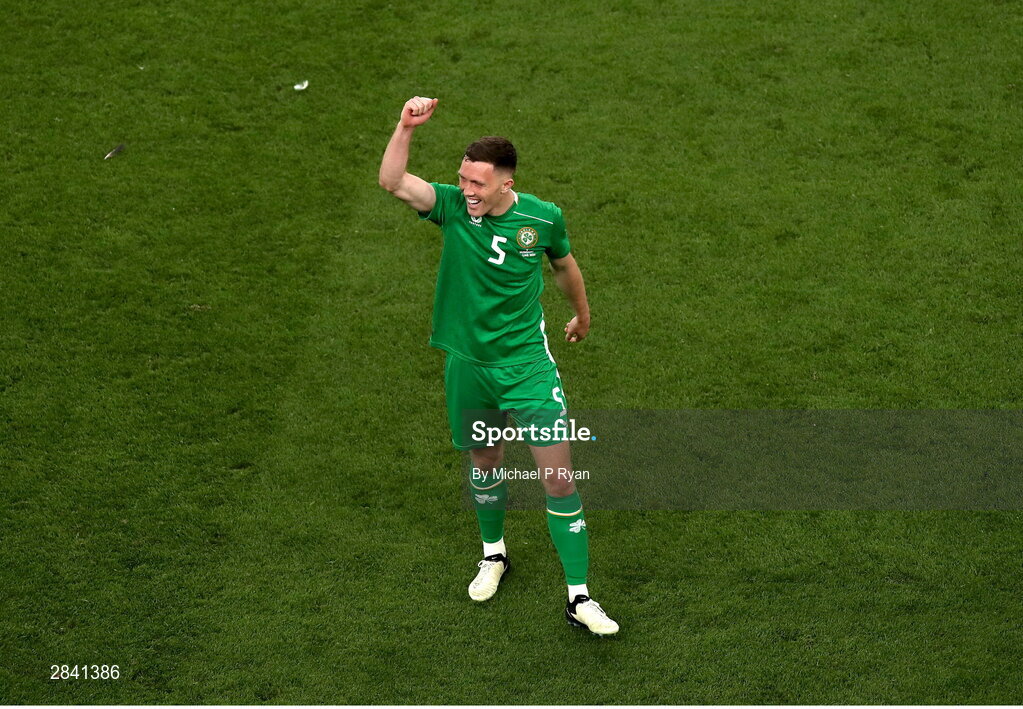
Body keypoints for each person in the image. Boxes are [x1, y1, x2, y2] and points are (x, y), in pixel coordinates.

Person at [378, 96, 618, 636]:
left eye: (477, 184)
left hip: (525, 366)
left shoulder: (542, 217)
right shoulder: (450, 208)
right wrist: (405, 127)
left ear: (506, 183)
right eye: (462, 179)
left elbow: (564, 265)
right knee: (485, 462)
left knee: (558, 479)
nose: (467, 191)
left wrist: (581, 315)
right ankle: (495, 554)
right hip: (469, 365)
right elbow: (393, 181)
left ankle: (579, 597)